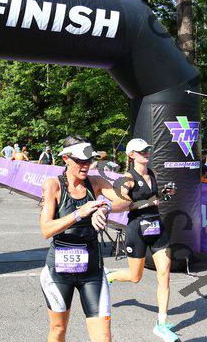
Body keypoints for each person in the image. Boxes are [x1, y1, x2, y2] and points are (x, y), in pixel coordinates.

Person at [40, 135, 136, 342]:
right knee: (58, 330)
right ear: (66, 159)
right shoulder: (53, 185)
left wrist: (106, 206)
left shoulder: (96, 182)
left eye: (89, 160)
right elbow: (46, 229)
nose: (86, 165)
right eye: (80, 161)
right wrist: (79, 213)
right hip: (59, 272)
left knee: (104, 337)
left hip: (92, 270)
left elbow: (126, 201)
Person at [105, 138, 179, 342]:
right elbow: (122, 205)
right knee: (135, 277)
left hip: (156, 227)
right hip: (137, 229)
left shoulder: (152, 173)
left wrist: (165, 195)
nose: (146, 152)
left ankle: (161, 324)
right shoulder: (127, 179)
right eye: (141, 151)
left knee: (164, 274)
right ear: (131, 155)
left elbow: (155, 200)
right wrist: (148, 202)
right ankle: (110, 275)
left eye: (147, 149)